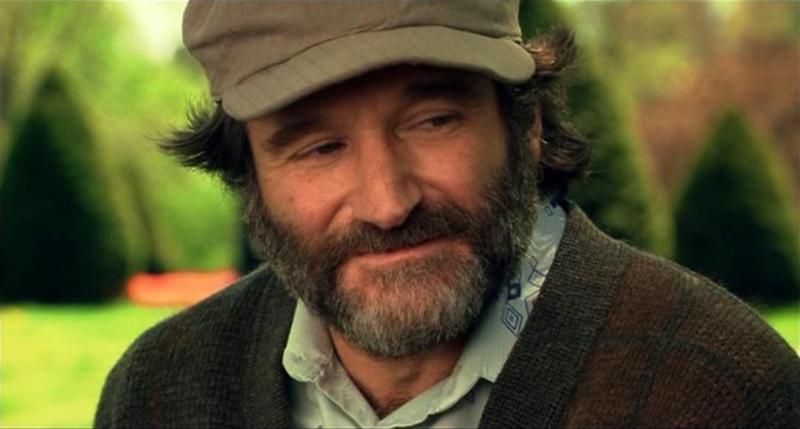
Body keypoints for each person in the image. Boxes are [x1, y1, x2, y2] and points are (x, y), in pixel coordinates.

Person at [95, 1, 800, 428]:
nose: (387, 203)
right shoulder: (161, 392)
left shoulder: (719, 388)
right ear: (248, 177)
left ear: (526, 125)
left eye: (433, 120)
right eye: (319, 148)